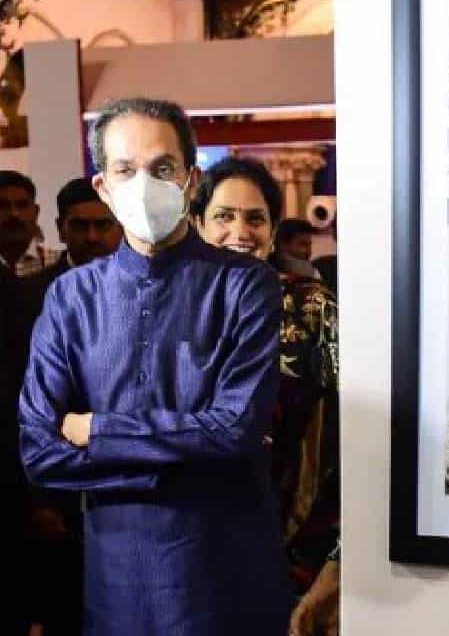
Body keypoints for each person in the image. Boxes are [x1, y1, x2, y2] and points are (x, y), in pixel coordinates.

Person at [17, 97, 291, 635]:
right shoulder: (71, 297)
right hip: (116, 581)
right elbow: (40, 453)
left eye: (162, 169)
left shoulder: (244, 285)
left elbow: (236, 428)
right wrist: (183, 456)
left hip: (226, 576)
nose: (144, 186)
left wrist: (99, 431)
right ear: (103, 187)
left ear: (191, 180)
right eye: (125, 170)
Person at [190, 158, 340, 636]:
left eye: (255, 219)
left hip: (289, 547)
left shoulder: (311, 308)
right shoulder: (171, 310)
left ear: (273, 233)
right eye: (224, 216)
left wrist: (339, 557)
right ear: (197, 224)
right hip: (187, 549)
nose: (240, 231)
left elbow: (364, 434)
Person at [10, 177, 121, 636]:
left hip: (129, 473)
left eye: (103, 225)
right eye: (80, 226)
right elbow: (16, 398)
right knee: (66, 608)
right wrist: (39, 496)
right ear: (59, 228)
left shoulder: (146, 290)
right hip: (54, 484)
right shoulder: (25, 296)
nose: (92, 237)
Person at [0, 170, 61, 276]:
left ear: (36, 212)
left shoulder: (59, 264)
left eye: (22, 205)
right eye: (3, 205)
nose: (14, 214)